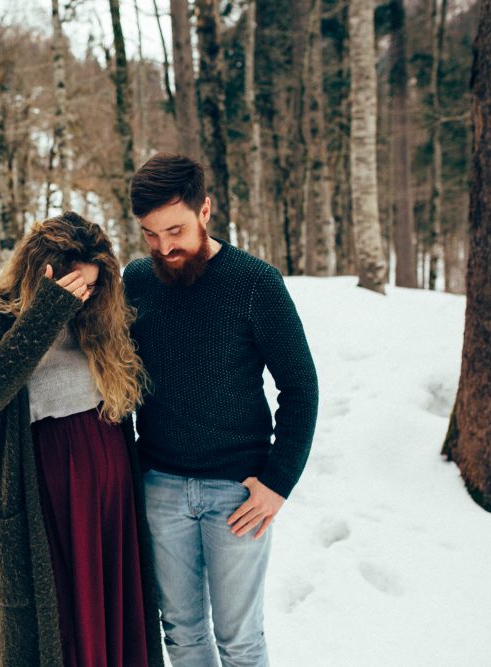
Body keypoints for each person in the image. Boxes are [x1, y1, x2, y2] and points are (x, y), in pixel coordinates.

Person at [123, 153, 319, 666]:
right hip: (160, 486)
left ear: (205, 210)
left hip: (237, 493)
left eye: (175, 230)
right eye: (149, 234)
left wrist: (278, 483)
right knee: (182, 637)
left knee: (240, 640)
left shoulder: (255, 283)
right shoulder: (137, 282)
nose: (164, 247)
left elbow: (300, 387)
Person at [0, 212, 164, 667]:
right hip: (45, 495)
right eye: (73, 287)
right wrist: (44, 314)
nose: (82, 297)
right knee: (61, 629)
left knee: (114, 616)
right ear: (41, 273)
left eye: (90, 286)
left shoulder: (102, 316)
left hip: (110, 495)